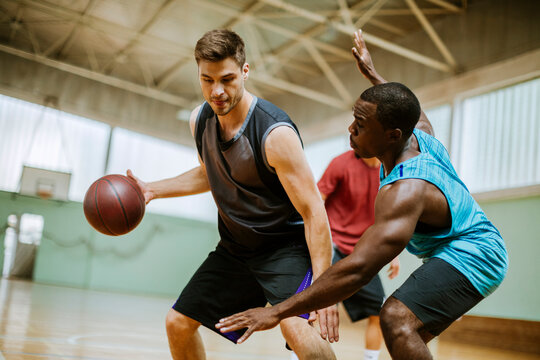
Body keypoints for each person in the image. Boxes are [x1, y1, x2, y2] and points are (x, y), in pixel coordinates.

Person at [216, 29, 509, 360]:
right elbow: (412, 109)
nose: (350, 129)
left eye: (360, 124)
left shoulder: (404, 191)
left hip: (476, 255)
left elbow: (358, 270)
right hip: (464, 246)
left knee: (396, 318)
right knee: (410, 337)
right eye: (354, 119)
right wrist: (371, 72)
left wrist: (276, 312)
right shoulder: (418, 134)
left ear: (392, 135)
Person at [127, 29, 337, 360]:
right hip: (236, 249)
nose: (217, 91)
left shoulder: (274, 133)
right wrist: (152, 190)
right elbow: (210, 173)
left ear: (245, 71)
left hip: (286, 249)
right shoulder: (200, 120)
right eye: (207, 80)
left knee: (296, 328)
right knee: (177, 323)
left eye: (227, 79)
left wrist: (325, 289)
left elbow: (314, 210)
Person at [315, 152, 400, 360]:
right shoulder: (341, 163)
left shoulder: (391, 170)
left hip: (364, 252)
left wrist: (393, 254)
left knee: (379, 313)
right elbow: (315, 204)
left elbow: (389, 215)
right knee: (317, 309)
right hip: (332, 245)